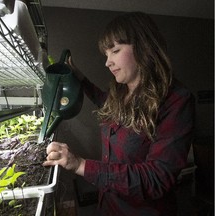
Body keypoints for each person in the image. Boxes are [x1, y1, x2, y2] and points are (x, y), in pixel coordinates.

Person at [43, 12, 195, 216]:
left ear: (144, 48)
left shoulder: (176, 101)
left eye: (115, 50)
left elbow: (158, 178)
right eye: (107, 54)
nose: (107, 62)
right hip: (108, 205)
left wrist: (80, 164)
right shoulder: (121, 91)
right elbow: (104, 101)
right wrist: (80, 78)